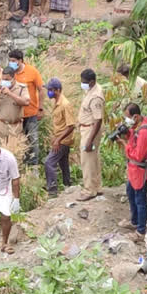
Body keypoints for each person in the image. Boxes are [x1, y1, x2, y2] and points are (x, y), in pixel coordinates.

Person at [116, 103, 147, 241]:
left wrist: (124, 144)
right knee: (131, 193)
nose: (127, 120)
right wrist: (127, 133)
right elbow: (134, 138)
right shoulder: (139, 125)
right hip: (133, 170)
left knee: (140, 200)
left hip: (139, 170)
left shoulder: (144, 132)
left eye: (128, 118)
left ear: (135, 116)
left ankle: (141, 231)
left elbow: (139, 155)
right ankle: (134, 221)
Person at [8, 49, 44, 165]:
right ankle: (20, 165)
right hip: (16, 116)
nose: (11, 63)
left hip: (31, 113)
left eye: (13, 61)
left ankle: (34, 167)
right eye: (10, 61)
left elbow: (41, 89)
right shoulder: (10, 73)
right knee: (17, 141)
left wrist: (40, 108)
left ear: (20, 60)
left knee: (33, 141)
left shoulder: (32, 71)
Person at [75, 69, 105, 201]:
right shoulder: (92, 89)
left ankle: (89, 190)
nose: (82, 84)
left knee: (87, 160)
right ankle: (97, 187)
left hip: (91, 130)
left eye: (84, 82)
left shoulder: (96, 97)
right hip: (87, 128)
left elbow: (98, 120)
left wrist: (89, 141)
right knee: (93, 158)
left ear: (92, 82)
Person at [43, 78, 75, 197]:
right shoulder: (57, 103)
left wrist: (58, 139)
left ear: (58, 90)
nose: (49, 92)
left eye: (51, 90)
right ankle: (68, 186)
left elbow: (71, 126)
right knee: (63, 164)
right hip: (61, 139)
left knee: (49, 162)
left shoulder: (65, 104)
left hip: (63, 141)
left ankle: (52, 190)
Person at [0, 66, 30, 148]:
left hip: (15, 127)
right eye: (3, 79)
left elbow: (26, 102)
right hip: (1, 126)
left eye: (7, 80)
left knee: (15, 151)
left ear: (13, 78)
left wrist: (10, 94)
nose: (4, 82)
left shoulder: (22, 88)